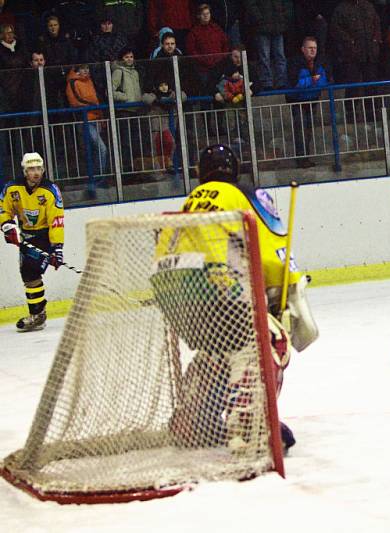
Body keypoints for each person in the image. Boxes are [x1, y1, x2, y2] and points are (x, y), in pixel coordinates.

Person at [153, 144, 319, 450]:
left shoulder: (191, 201)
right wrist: (289, 286)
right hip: (217, 283)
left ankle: (192, 420)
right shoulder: (244, 194)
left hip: (172, 290)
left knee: (220, 350)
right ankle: (250, 422)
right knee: (270, 340)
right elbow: (273, 253)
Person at [0, 152, 65, 331]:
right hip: (25, 236)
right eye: (31, 169)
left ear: (43, 169)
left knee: (30, 270)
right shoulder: (12, 188)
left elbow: (56, 221)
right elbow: (3, 210)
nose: (35, 172)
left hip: (44, 236)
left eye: (38, 168)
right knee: (28, 274)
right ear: (24, 171)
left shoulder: (50, 190)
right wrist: (6, 225)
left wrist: (57, 247)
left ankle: (37, 314)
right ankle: (38, 314)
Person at [287, 36, 331, 168]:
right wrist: (312, 81)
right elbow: (294, 84)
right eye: (310, 48)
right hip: (298, 102)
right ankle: (301, 158)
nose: (313, 51)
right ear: (303, 49)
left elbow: (325, 80)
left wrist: (311, 83)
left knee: (309, 130)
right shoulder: (294, 63)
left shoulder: (319, 62)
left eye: (315, 48)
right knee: (300, 130)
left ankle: (306, 157)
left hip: (312, 100)